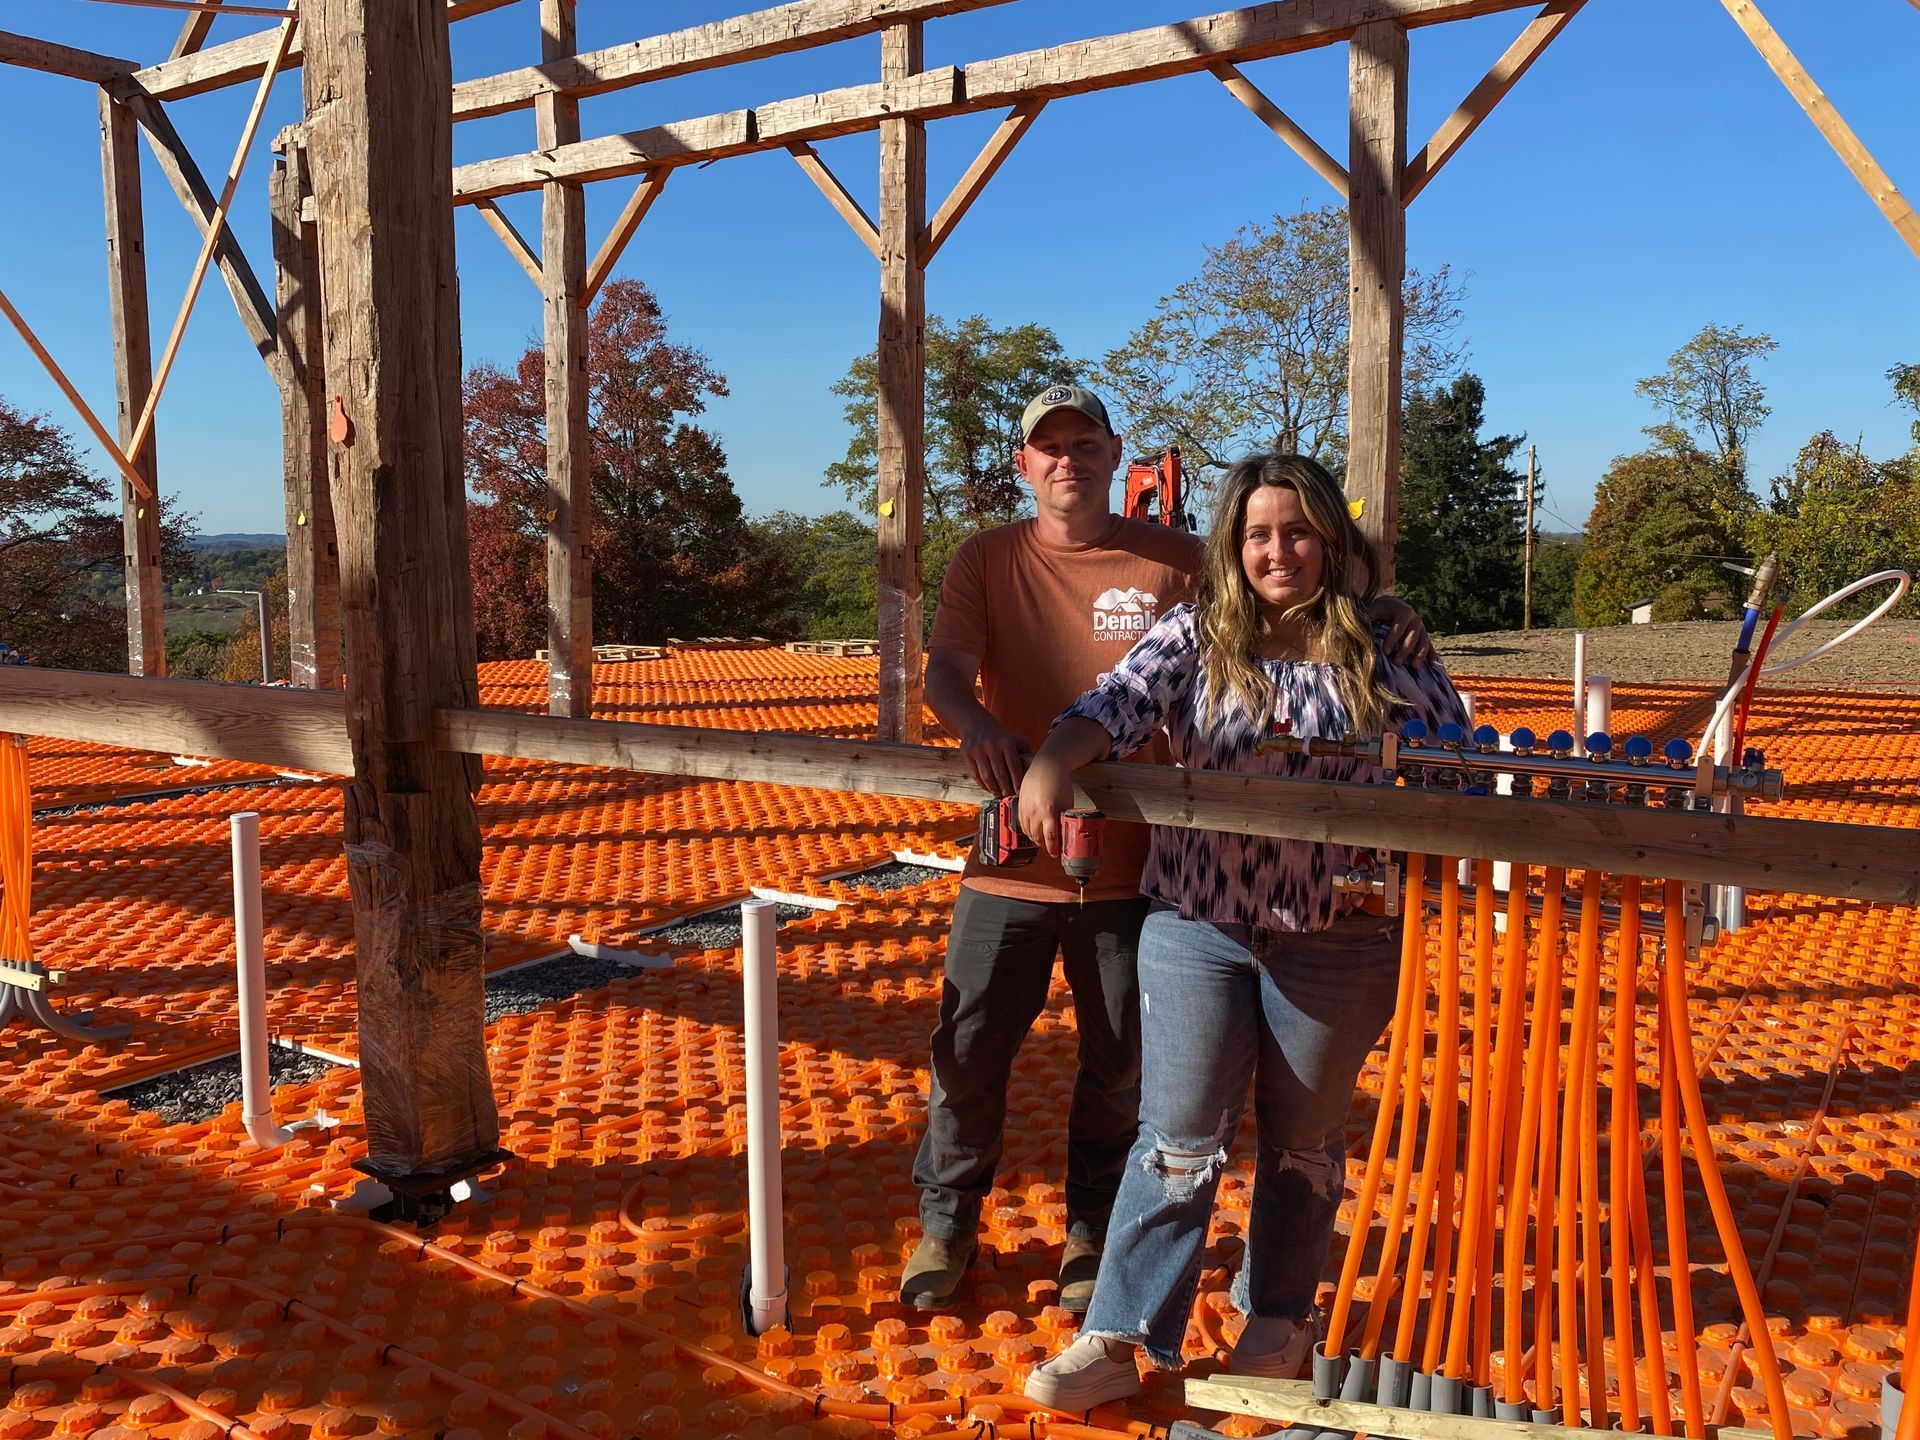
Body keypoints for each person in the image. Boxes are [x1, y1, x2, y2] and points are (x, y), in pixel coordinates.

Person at [902, 388, 1432, 1314]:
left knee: (1122, 1067)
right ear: (1024, 464)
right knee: (971, 1047)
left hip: (1139, 870)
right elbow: (963, 672)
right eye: (1049, 447)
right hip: (1015, 860)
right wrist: (989, 733)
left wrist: (1377, 608)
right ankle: (946, 1227)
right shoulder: (988, 559)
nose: (1067, 459)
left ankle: (1092, 1238)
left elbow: (1284, 600)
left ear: (1115, 454)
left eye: (1084, 443)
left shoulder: (1184, 561)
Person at [1013, 451, 1468, 1409]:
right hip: (1198, 928)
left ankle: (1278, 1319)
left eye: (1298, 531)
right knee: (1176, 1138)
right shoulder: (1199, 635)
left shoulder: (1382, 648)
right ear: (1233, 545)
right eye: (1259, 533)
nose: (1278, 551)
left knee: (1302, 1141)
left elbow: (1452, 762)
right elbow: (1115, 704)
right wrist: (1056, 759)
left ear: (1330, 544)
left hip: (1338, 936)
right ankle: (1120, 1334)